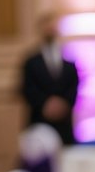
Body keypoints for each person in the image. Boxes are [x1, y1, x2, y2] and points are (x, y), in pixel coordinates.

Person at [20, 12, 79, 145]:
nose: (50, 28)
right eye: (46, 25)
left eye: (52, 25)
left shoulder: (69, 61)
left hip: (64, 125)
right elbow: (27, 88)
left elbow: (74, 86)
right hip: (39, 121)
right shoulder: (31, 61)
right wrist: (45, 104)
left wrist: (63, 104)